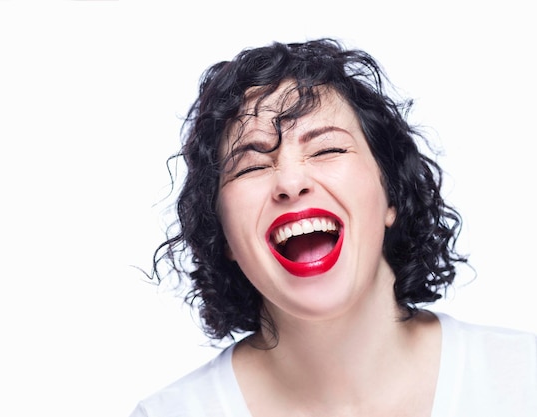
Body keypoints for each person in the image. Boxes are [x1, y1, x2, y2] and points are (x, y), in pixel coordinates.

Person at [130, 38, 537, 416]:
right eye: (252, 165)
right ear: (224, 236)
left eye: (327, 149)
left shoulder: (523, 381)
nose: (290, 183)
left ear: (390, 195)